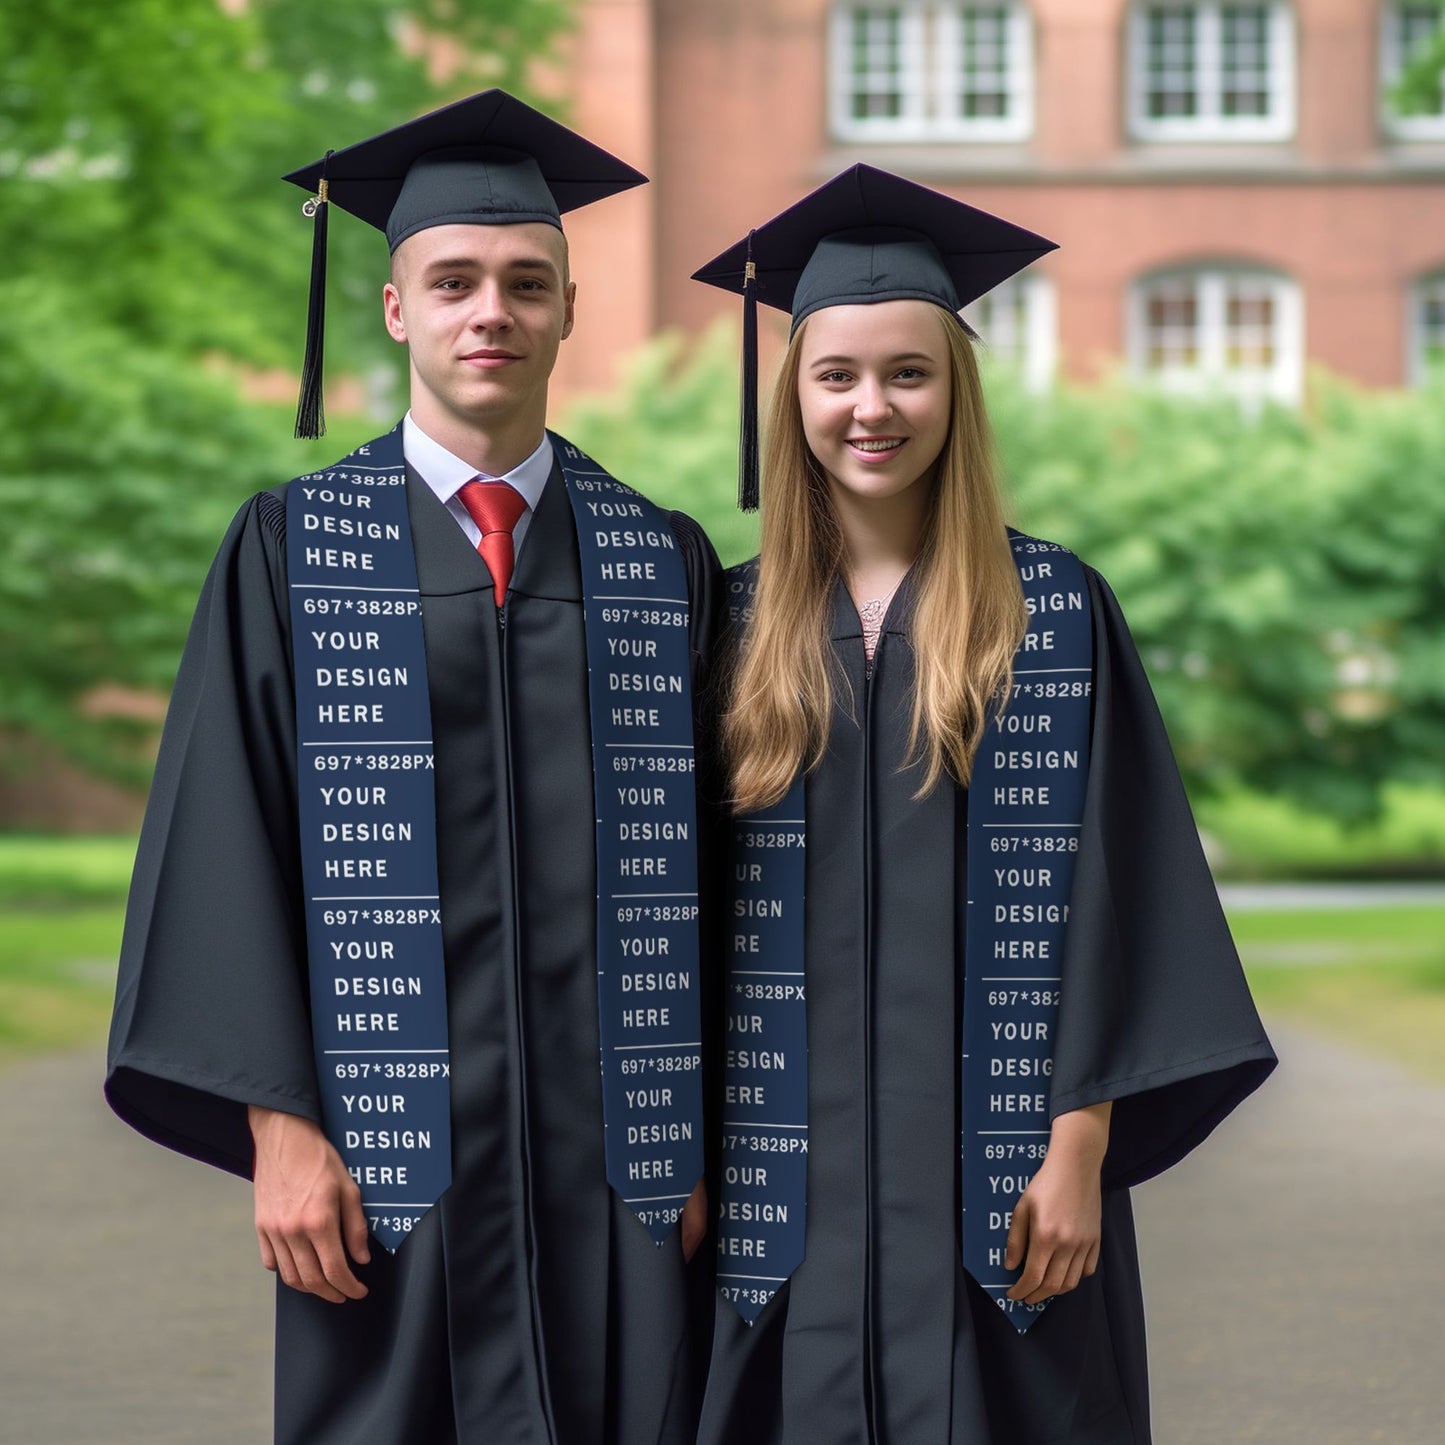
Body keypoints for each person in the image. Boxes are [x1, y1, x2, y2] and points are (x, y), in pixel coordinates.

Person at [106, 90, 720, 1445]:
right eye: (452, 282)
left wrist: (708, 1138)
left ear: (569, 307)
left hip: (618, 1166)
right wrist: (278, 1126)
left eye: (522, 283)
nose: (486, 312)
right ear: (395, 311)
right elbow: (225, 839)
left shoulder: (657, 562)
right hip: (391, 1169)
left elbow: (731, 877)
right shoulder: (289, 549)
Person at [689, 164, 1277, 1444]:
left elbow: (1120, 895)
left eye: (909, 372)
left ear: (957, 395)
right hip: (777, 1199)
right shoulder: (723, 622)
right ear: (788, 397)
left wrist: (1078, 1148)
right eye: (834, 373)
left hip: (1004, 1191)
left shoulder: (1052, 613)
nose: (871, 407)